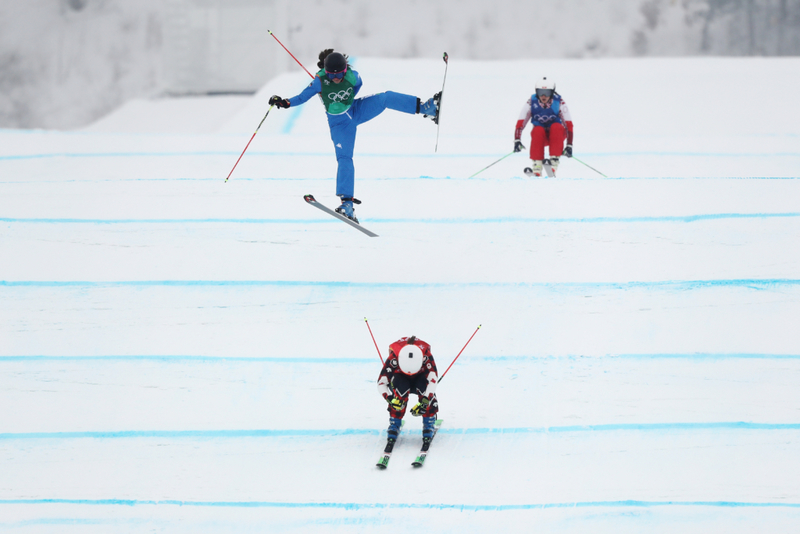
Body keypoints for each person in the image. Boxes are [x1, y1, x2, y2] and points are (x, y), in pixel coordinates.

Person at [269, 49, 440, 223]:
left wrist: (346, 100)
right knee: (344, 159)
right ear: (326, 73)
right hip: (339, 124)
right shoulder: (320, 81)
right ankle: (347, 205)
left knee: (385, 97)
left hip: (356, 110)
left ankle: (427, 108)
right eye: (331, 75)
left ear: (345, 70)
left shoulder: (353, 76)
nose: (336, 78)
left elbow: (357, 86)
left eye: (339, 75)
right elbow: (301, 97)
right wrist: (285, 102)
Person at [377, 335, 439, 450]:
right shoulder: (394, 357)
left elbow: (433, 380)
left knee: (424, 388)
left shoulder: (426, 355)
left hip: (421, 377)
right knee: (400, 390)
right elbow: (381, 382)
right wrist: (390, 399)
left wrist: (425, 402)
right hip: (400, 377)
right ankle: (394, 422)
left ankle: (429, 422)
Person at [513, 77, 574, 177]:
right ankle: (537, 166)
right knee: (537, 129)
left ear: (553, 92)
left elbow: (569, 125)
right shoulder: (531, 102)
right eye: (540, 92)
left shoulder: (559, 103)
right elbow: (521, 122)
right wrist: (517, 140)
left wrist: (569, 145)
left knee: (556, 126)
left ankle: (553, 162)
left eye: (547, 93)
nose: (543, 96)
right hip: (541, 137)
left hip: (557, 136)